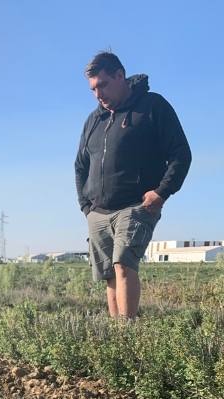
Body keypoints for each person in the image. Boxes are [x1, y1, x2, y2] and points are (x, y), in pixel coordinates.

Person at [75, 52, 191, 319]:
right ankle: (119, 338)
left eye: (102, 85)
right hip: (98, 211)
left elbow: (181, 153)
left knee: (124, 264)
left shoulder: (152, 106)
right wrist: (86, 206)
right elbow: (80, 166)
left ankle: (129, 337)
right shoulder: (94, 120)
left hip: (136, 205)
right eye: (93, 89)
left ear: (120, 75)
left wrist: (162, 192)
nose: (97, 94)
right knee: (109, 276)